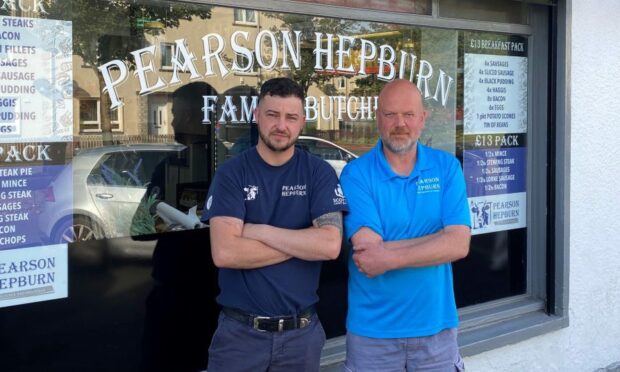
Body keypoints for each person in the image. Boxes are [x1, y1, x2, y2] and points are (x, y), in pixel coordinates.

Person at [202, 77, 348, 371]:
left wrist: (259, 231)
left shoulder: (318, 173)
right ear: (256, 116)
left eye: (291, 117)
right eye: (272, 115)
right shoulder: (232, 173)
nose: (281, 125)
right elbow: (226, 253)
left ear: (302, 122)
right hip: (239, 338)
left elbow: (330, 245)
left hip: (301, 338)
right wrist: (305, 242)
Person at [340, 79, 471, 371]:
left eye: (409, 115)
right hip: (373, 336)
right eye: (390, 115)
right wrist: (438, 239)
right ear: (378, 118)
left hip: (437, 331)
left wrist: (388, 255)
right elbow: (367, 252)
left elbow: (459, 243)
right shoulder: (356, 174)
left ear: (422, 119)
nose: (400, 123)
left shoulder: (447, 168)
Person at [137, 82, 218, 372]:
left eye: (173, 113)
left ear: (186, 117)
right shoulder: (236, 164)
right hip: (221, 296)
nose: (169, 121)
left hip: (179, 297)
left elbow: (142, 225)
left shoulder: (174, 165)